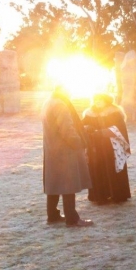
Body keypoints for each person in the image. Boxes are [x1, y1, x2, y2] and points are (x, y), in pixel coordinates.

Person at [42, 85, 93, 227]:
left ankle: (52, 215)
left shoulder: (49, 102)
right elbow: (67, 129)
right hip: (65, 150)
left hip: (52, 149)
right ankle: (72, 219)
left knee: (54, 182)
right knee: (68, 184)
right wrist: (79, 144)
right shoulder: (61, 105)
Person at [82, 93, 131, 204]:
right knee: (97, 168)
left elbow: (119, 128)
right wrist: (87, 128)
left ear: (106, 101)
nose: (97, 102)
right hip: (95, 147)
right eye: (96, 99)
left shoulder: (114, 112)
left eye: (100, 99)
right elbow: (82, 126)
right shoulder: (89, 113)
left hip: (111, 146)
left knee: (112, 168)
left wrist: (102, 132)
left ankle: (117, 195)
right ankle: (99, 196)